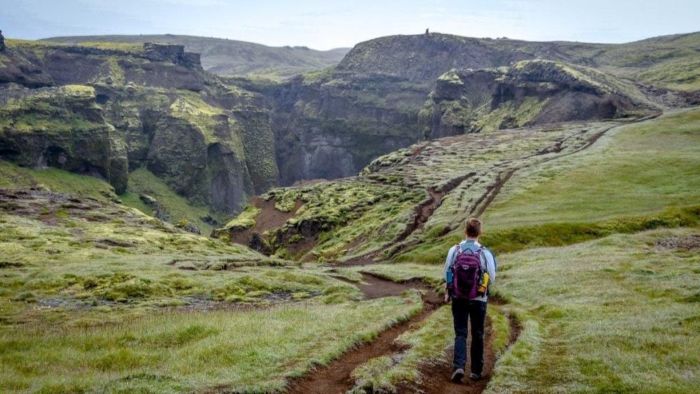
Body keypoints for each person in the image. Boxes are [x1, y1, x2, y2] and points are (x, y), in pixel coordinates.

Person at [442, 217, 497, 383]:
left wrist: (448, 290)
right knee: (478, 333)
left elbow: (447, 273)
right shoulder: (485, 252)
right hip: (479, 298)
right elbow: (492, 277)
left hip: (458, 297)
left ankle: (458, 366)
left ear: (465, 231)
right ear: (480, 232)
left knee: (460, 333)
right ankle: (475, 371)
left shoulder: (454, 250)